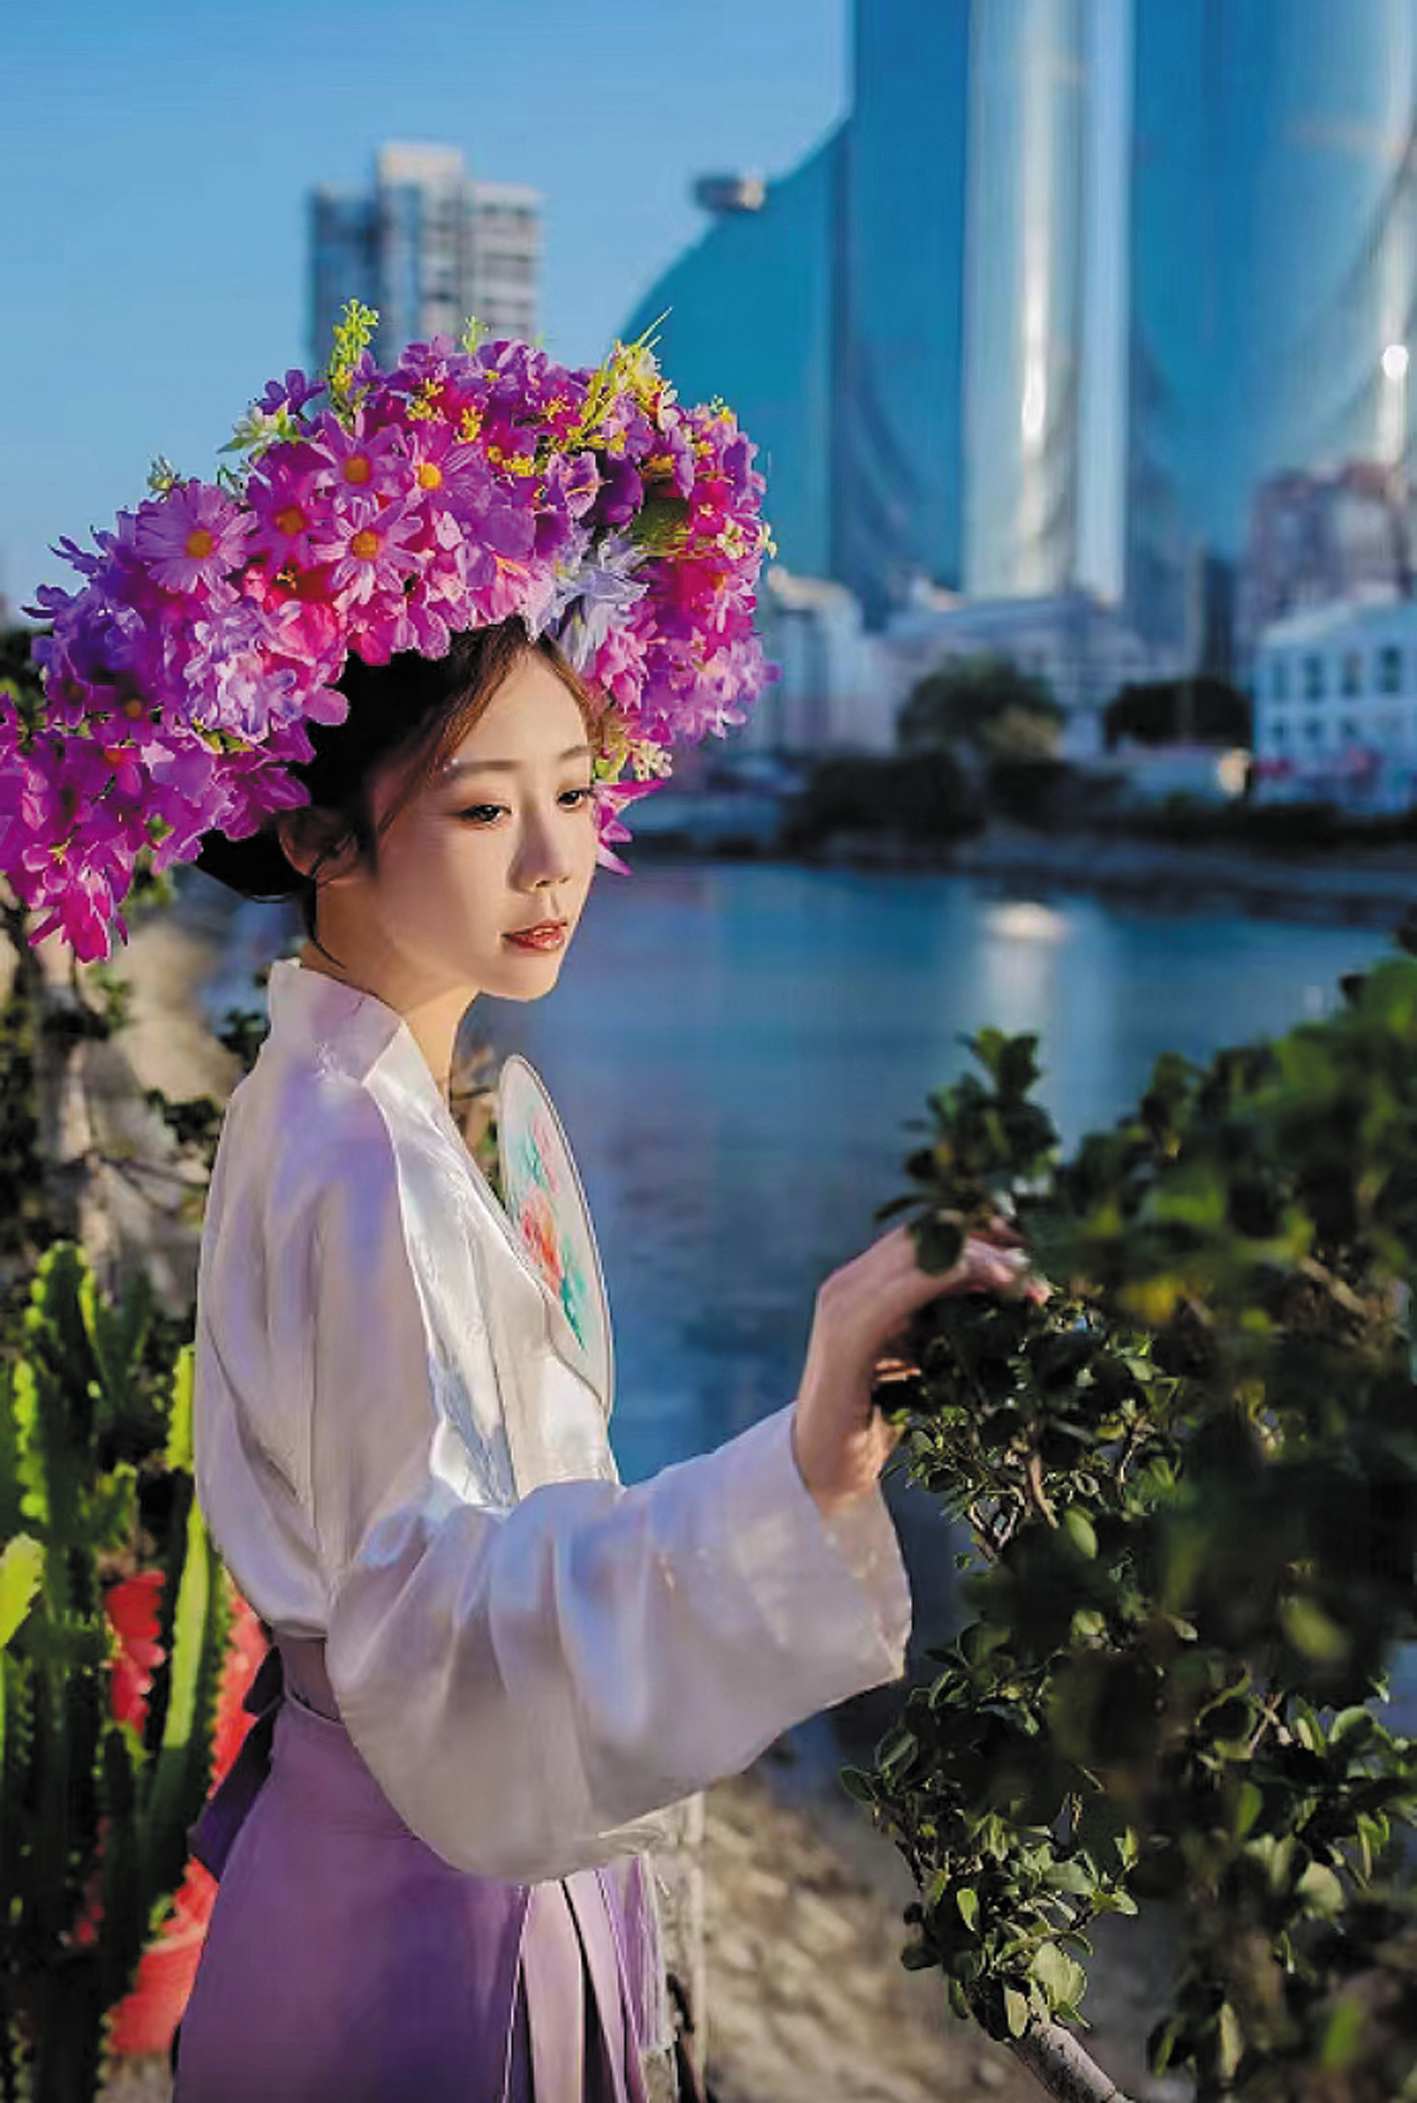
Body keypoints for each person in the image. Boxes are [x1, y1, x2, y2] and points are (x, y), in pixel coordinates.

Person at [4, 319, 1037, 2101]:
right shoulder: (354, 1156)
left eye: (578, 795)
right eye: (485, 809)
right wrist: (804, 1458)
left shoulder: (370, 1096)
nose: (559, 862)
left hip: (381, 1866)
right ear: (320, 835)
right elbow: (437, 1634)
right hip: (422, 1926)